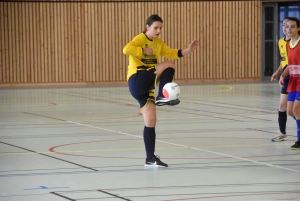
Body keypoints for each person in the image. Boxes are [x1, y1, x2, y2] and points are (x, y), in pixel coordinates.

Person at [123, 14, 199, 167]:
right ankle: (161, 96)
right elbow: (126, 49)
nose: (158, 31)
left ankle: (150, 159)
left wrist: (188, 50)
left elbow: (172, 53)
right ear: (147, 27)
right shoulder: (140, 39)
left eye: (160, 28)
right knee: (169, 65)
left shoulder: (158, 43)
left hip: (146, 85)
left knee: (151, 122)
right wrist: (143, 50)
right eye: (155, 27)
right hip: (137, 79)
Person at [279, 17, 300, 150]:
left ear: (298, 28)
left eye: (293, 26)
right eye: (287, 27)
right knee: (290, 112)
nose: (289, 29)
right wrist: (282, 75)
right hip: (293, 80)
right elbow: (290, 65)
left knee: (296, 110)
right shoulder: (287, 45)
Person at [271, 17, 291, 142]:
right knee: (282, 105)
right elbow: (284, 60)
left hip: (296, 75)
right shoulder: (281, 42)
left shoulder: (296, 42)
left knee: (293, 109)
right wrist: (278, 72)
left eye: (288, 25)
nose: (285, 27)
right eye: (283, 24)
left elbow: (293, 62)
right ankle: (282, 133)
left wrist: (282, 75)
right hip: (287, 75)